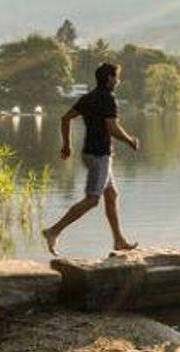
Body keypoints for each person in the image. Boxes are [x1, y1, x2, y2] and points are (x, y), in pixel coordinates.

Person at [44, 62, 139, 256]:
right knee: (93, 199)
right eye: (116, 77)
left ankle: (119, 240)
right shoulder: (108, 99)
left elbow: (65, 118)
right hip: (100, 156)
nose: (118, 81)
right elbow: (112, 127)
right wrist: (130, 140)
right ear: (109, 78)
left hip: (89, 153)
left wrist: (67, 145)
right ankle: (54, 231)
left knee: (111, 195)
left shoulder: (88, 97)